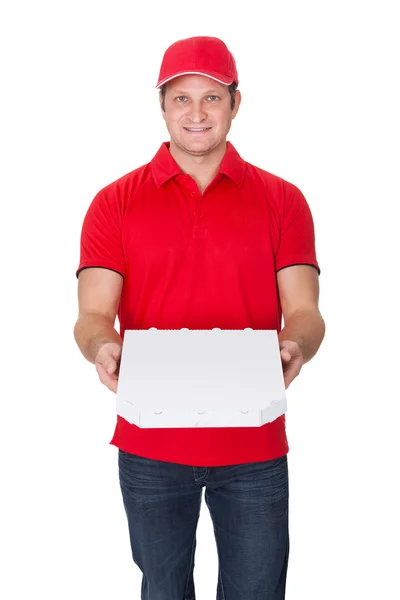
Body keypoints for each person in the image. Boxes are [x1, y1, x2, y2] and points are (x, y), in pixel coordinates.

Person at [74, 36, 325, 600]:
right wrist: (101, 346)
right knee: (162, 592)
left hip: (253, 443)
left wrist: (297, 345)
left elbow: (305, 311)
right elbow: (92, 314)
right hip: (150, 439)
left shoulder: (283, 200)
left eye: (211, 98)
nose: (196, 113)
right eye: (182, 99)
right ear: (161, 106)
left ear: (236, 103)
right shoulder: (114, 202)